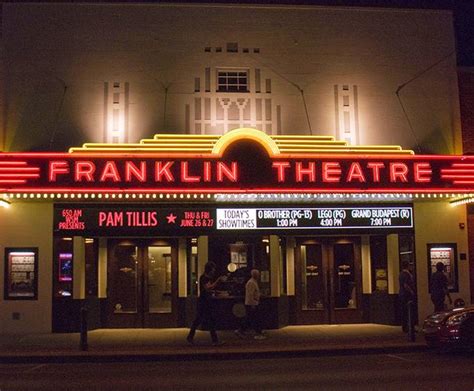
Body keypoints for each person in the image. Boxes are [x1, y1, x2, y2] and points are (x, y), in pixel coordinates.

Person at [187, 262, 225, 346]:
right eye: (213, 269)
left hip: (204, 301)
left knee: (201, 320)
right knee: (202, 320)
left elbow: (208, 289)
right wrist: (218, 281)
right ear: (210, 269)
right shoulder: (204, 278)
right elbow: (208, 288)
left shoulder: (205, 278)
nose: (214, 271)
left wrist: (214, 291)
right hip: (204, 302)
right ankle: (214, 340)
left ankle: (191, 337)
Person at [235, 269, 266, 340]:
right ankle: (242, 330)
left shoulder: (253, 282)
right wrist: (252, 304)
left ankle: (257, 331)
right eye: (257, 274)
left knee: (252, 318)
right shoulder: (251, 283)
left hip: (253, 303)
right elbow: (250, 294)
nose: (259, 275)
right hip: (252, 304)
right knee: (251, 318)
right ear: (254, 275)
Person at [398, 261, 416, 333]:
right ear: (407, 266)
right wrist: (411, 291)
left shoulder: (401, 274)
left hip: (402, 294)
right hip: (406, 295)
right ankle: (408, 327)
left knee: (404, 311)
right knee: (408, 310)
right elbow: (405, 285)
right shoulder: (406, 274)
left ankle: (406, 327)